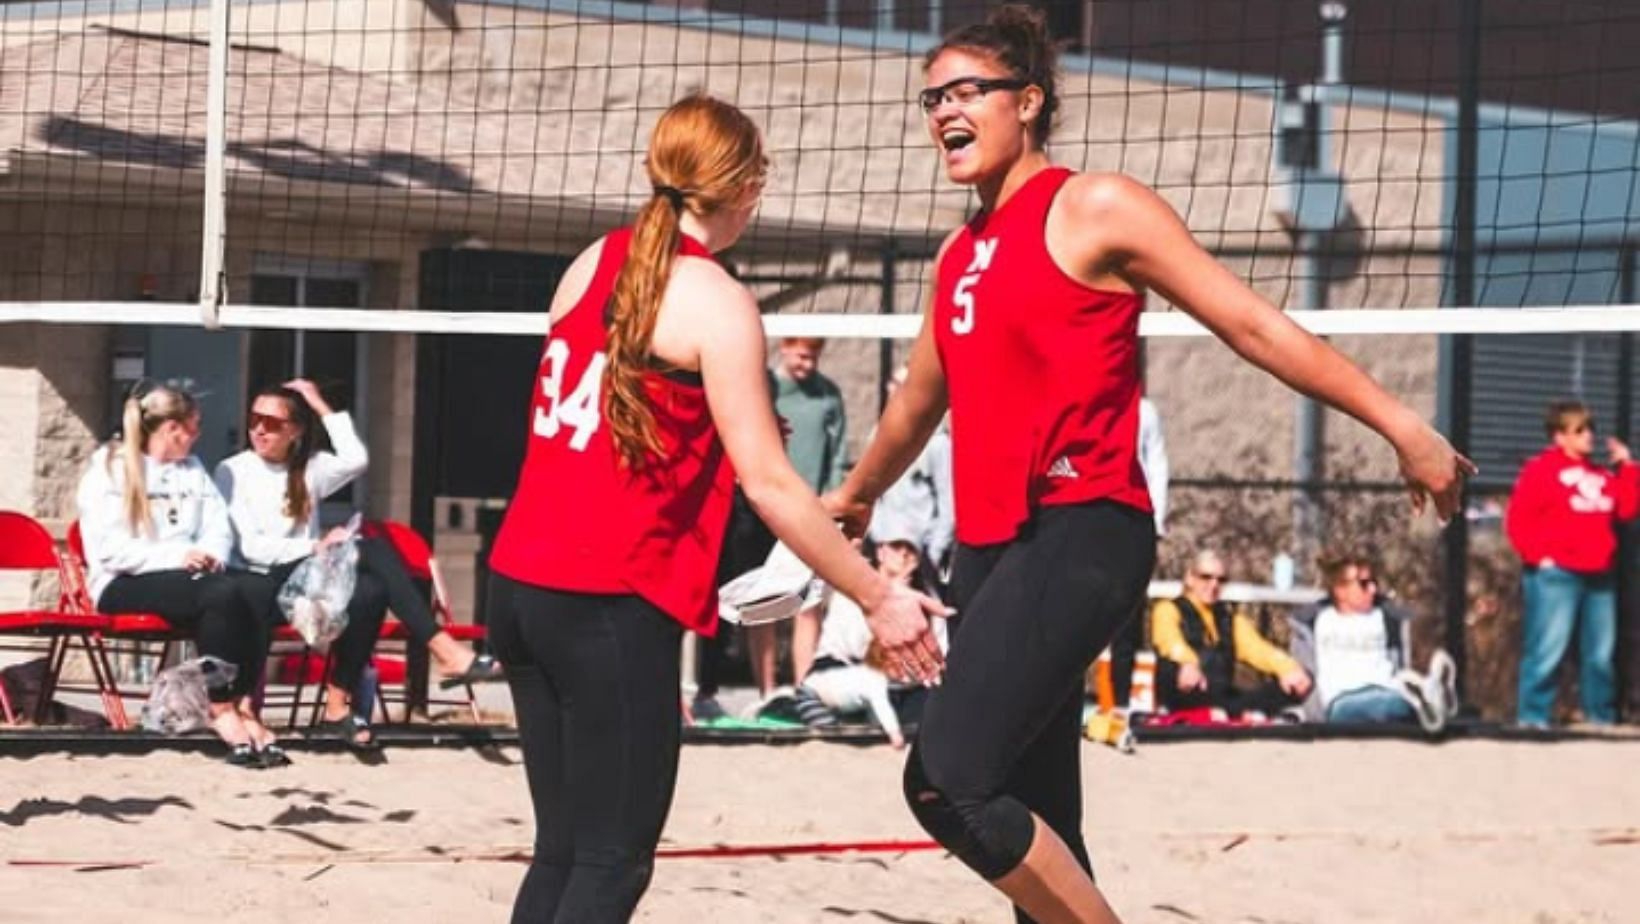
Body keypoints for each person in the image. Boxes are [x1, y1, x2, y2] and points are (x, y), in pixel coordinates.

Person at [822, 7, 1470, 922]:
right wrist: (854, 496)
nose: (943, 111)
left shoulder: (1096, 206)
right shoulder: (959, 254)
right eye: (932, 97)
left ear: (1030, 102)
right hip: (993, 542)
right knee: (1038, 816)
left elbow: (1250, 324)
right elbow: (919, 402)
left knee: (946, 781)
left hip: (1086, 527)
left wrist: (1401, 423)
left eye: (967, 91)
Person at [482, 93, 945, 924]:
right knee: (612, 865)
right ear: (747, 186)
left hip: (520, 586)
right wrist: (878, 597)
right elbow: (768, 483)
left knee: (564, 852)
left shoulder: (591, 262)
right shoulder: (717, 301)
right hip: (606, 601)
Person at [214, 379, 502, 749]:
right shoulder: (233, 470)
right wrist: (314, 545)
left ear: (295, 431)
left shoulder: (309, 467)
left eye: (271, 423)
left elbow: (357, 459)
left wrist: (319, 404)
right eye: (254, 419)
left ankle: (339, 703)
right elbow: (249, 546)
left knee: (371, 590)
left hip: (305, 587)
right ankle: (442, 648)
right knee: (370, 549)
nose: (258, 429)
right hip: (259, 586)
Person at [75, 381, 280, 767]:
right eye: (194, 427)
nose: (198, 436)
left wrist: (210, 554)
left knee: (258, 589)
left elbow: (217, 524)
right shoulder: (109, 469)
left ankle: (242, 703)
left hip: (189, 574)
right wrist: (179, 556)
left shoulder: (193, 469)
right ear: (172, 429)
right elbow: (110, 549)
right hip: (124, 579)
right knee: (218, 595)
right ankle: (220, 708)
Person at [1506, 399, 1638, 728]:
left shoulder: (1601, 474)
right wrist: (1541, 558)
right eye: (1579, 430)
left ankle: (1600, 717)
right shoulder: (1540, 471)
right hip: (1558, 575)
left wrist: (1627, 467)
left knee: (1600, 655)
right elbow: (1519, 520)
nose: (1588, 436)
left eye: (1590, 428)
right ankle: (1533, 718)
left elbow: (1625, 509)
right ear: (1559, 435)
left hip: (1599, 575)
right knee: (1547, 649)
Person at [742, 336, 851, 696]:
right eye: (803, 356)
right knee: (764, 605)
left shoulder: (828, 395)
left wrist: (831, 502)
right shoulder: (765, 391)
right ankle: (767, 692)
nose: (808, 364)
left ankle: (803, 690)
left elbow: (837, 455)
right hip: (766, 509)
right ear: (785, 347)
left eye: (815, 357)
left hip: (809, 512)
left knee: (808, 605)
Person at [796, 531, 950, 749]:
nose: (904, 554)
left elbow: (940, 652)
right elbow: (853, 649)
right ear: (880, 551)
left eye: (910, 549)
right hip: (854, 666)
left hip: (909, 681)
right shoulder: (854, 589)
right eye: (897, 547)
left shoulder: (928, 596)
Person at [1287, 553, 1458, 732]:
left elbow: (1403, 656)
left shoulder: (1385, 617)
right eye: (1364, 584)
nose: (1373, 589)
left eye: (1374, 582)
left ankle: (1431, 696)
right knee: (1386, 707)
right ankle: (1429, 701)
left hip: (1388, 688)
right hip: (1341, 699)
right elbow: (1302, 667)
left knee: (1395, 702)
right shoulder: (1316, 620)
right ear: (1340, 590)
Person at [1149, 550, 1311, 718]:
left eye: (1221, 580)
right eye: (1206, 577)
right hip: (1185, 692)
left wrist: (1289, 668)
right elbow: (1168, 640)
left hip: (1220, 696)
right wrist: (1187, 663)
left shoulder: (1229, 619)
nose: (1214, 585)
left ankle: (1233, 712)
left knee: (1296, 682)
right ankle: (1231, 712)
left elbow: (1258, 649)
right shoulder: (1168, 609)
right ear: (1190, 578)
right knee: (1172, 669)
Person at [868, 364, 956, 573]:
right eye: (895, 385)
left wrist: (933, 552)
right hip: (884, 547)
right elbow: (871, 493)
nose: (897, 392)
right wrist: (876, 536)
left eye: (905, 386)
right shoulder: (877, 434)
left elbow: (948, 504)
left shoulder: (937, 443)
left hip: (920, 551)